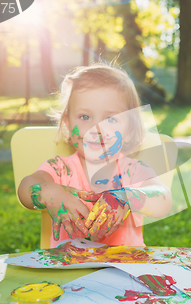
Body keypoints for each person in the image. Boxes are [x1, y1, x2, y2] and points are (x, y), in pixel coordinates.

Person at [18, 64, 172, 247]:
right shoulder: (59, 169)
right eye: (84, 117)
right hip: (66, 271)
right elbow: (25, 189)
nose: (96, 130)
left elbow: (163, 199)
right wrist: (47, 191)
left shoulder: (133, 171)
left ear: (129, 130)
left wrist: (128, 197)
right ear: (67, 123)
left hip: (124, 269)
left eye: (110, 119)